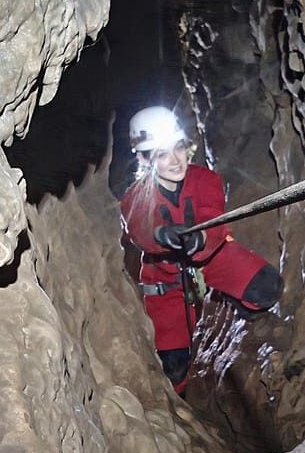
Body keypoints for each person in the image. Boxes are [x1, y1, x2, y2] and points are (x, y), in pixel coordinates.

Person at [119, 106, 283, 395]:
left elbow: (212, 213)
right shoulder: (135, 196)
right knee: (174, 367)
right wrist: (160, 235)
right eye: (162, 154)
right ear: (145, 158)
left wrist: (202, 237)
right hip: (166, 281)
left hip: (211, 259)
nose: (175, 160)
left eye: (178, 148)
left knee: (266, 288)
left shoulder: (205, 179)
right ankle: (183, 412)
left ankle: (230, 305)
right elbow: (139, 227)